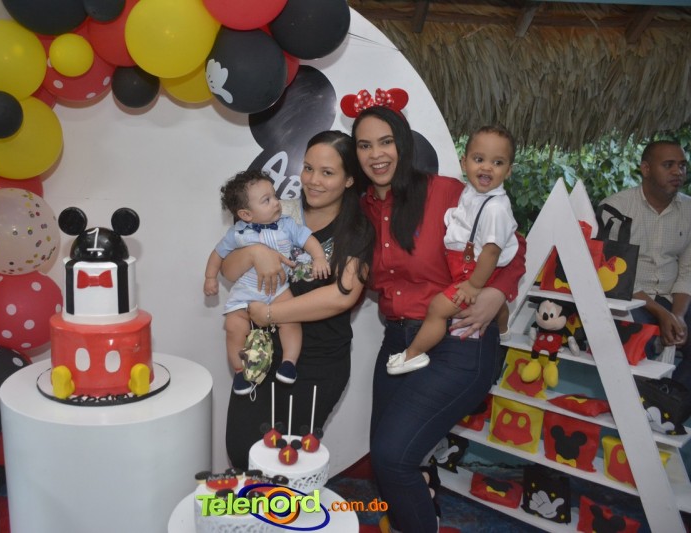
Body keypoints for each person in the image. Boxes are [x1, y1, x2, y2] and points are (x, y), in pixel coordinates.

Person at [354, 105, 526, 532]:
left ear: (403, 144)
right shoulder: (360, 210)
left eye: (386, 141)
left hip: (457, 340)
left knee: (393, 456)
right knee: (387, 456)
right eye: (364, 145)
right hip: (398, 341)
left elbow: (513, 246)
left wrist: (496, 293)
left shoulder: (447, 192)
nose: (376, 154)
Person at [221, 131, 375, 469]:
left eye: (327, 172)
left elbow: (341, 296)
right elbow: (228, 271)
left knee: (286, 462)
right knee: (242, 450)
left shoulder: (358, 229)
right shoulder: (277, 211)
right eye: (308, 168)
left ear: (349, 179)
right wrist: (255, 253)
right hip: (262, 352)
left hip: (319, 362)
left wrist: (269, 313)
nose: (313, 180)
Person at [386, 125, 519, 375]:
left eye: (497, 162)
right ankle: (502, 330)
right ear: (464, 162)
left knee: (438, 308)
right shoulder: (470, 193)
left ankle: (413, 354)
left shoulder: (495, 208)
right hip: (466, 267)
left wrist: (474, 285)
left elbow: (492, 252)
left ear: (509, 170)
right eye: (479, 159)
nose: (487, 167)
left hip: (475, 272)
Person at [204, 170, 330, 394]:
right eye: (267, 200)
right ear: (246, 214)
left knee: (291, 320)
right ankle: (240, 371)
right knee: (233, 327)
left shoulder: (286, 224)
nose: (276, 202)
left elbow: (308, 239)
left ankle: (289, 363)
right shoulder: (237, 233)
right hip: (246, 291)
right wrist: (210, 277)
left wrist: (319, 257)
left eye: (275, 196)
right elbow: (218, 254)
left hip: (278, 289)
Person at [599, 140, 690, 388]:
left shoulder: (688, 210)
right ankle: (642, 400)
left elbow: (687, 270)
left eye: (682, 165)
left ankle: (672, 400)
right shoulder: (615, 209)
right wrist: (662, 314)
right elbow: (613, 274)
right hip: (631, 298)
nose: (678, 172)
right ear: (646, 169)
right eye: (668, 165)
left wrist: (678, 315)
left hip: (672, 297)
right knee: (637, 341)